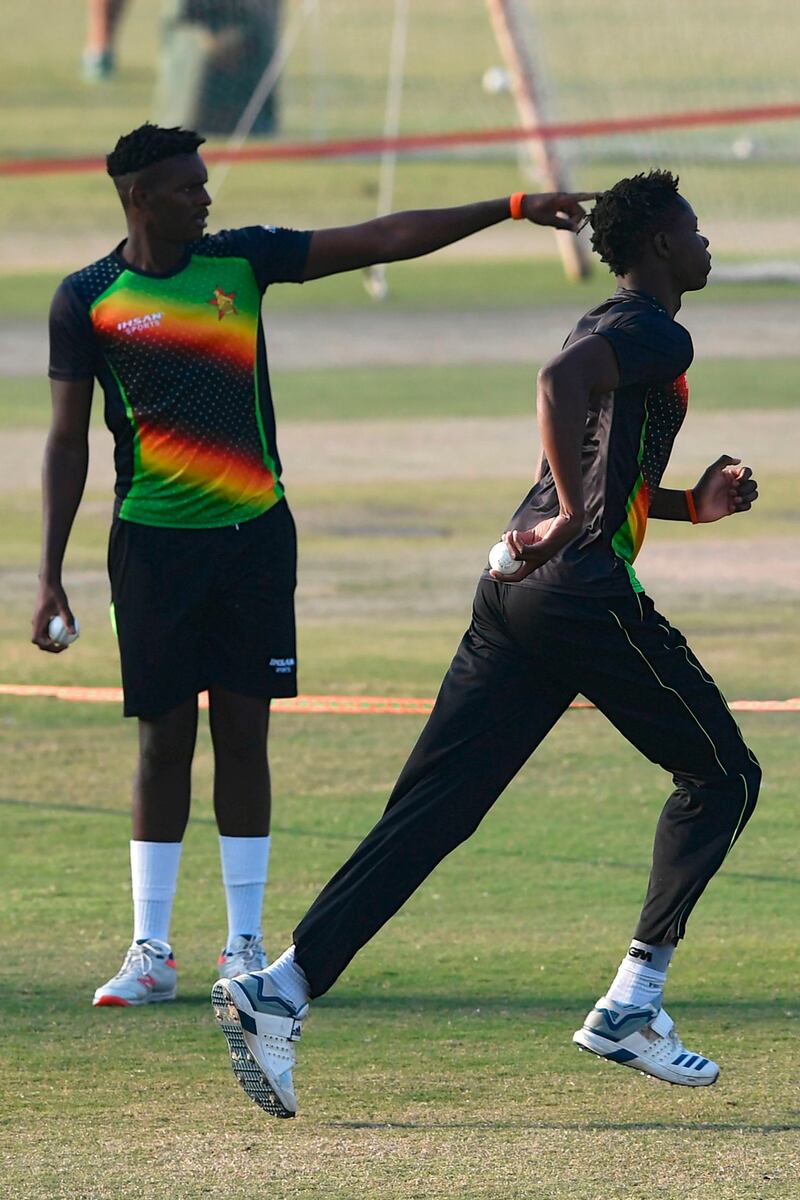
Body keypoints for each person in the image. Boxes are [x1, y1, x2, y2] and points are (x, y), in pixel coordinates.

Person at [210, 170, 761, 1118]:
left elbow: (590, 456)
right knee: (724, 775)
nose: (707, 243)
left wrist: (685, 506)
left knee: (435, 810)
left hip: (514, 590)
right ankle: (633, 1002)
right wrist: (582, 519)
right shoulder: (654, 328)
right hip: (580, 595)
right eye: (695, 229)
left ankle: (281, 989)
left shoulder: (605, 323)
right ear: (662, 247)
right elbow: (558, 394)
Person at [32, 120, 591, 1007]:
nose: (205, 197)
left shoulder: (243, 263)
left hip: (254, 537)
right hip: (153, 544)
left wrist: (511, 206)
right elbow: (66, 444)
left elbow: (382, 238)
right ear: (139, 198)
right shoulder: (88, 298)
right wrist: (49, 574)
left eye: (204, 181)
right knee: (162, 741)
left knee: (244, 734)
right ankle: (150, 951)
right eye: (187, 187)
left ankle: (243, 945)